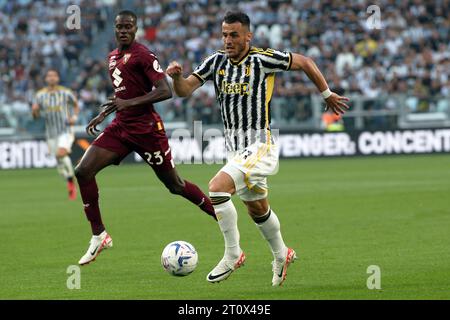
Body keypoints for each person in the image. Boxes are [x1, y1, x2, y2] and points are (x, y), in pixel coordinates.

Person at [166, 11, 349, 286]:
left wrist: (327, 94)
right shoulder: (215, 61)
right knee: (257, 209)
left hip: (260, 144)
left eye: (234, 35)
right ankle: (281, 254)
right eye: (224, 34)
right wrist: (177, 78)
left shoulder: (262, 59)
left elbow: (306, 62)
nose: (228, 40)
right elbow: (184, 90)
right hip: (235, 149)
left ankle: (233, 254)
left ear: (248, 36)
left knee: (217, 187)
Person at [76, 10, 216, 266]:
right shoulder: (112, 57)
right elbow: (123, 95)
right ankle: (99, 235)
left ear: (136, 28)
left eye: (128, 27)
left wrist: (126, 103)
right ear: (114, 29)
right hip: (121, 127)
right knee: (83, 171)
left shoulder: (143, 54)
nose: (123, 31)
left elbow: (165, 92)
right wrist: (105, 113)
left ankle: (219, 214)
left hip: (148, 130)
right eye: (120, 27)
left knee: (175, 185)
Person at [32, 69, 79, 200]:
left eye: (54, 75)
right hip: (51, 134)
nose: (51, 78)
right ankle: (70, 180)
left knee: (61, 153)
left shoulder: (65, 92)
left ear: (58, 78)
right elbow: (35, 117)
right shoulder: (40, 95)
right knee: (59, 163)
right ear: (46, 79)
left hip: (65, 130)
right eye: (49, 76)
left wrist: (74, 117)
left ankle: (71, 182)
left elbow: (75, 105)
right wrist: (34, 111)